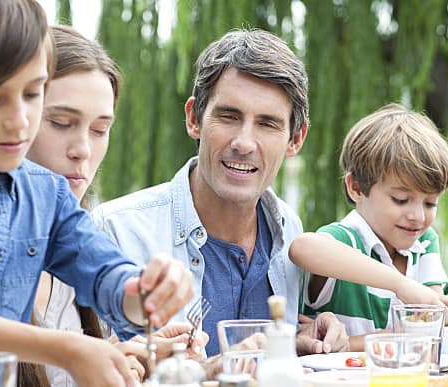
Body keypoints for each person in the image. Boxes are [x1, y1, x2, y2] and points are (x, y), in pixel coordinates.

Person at [0, 2, 193, 386]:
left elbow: (105, 273)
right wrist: (65, 349)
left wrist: (145, 291)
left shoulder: (45, 193)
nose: (19, 120)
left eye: (33, 94)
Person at [93, 28, 348, 374]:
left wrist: (299, 341)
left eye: (267, 124)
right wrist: (214, 369)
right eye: (229, 116)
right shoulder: (116, 232)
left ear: (295, 139)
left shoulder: (289, 230)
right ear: (194, 119)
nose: (244, 142)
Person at [20, 25, 208, 387]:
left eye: (99, 129)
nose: (83, 150)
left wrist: (134, 348)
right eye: (61, 123)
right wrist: (77, 354)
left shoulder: (79, 235)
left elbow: (117, 285)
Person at [289, 103, 448, 351]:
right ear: (356, 188)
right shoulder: (344, 239)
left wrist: (435, 310)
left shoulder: (424, 242)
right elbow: (303, 247)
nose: (417, 216)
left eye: (430, 203)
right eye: (401, 200)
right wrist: (402, 286)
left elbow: (427, 329)